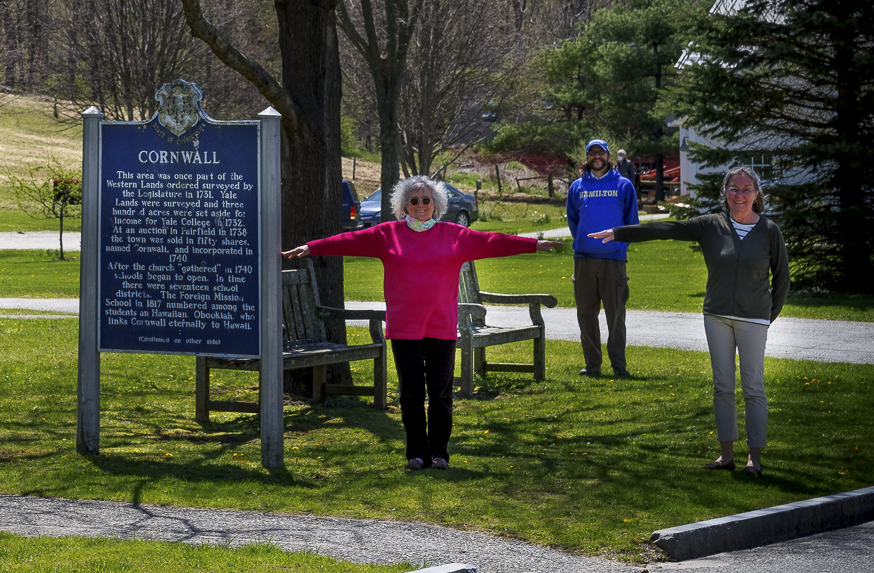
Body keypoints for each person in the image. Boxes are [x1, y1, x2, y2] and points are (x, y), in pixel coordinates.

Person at [282, 175, 562, 472]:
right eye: (414, 200)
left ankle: (440, 453)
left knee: (441, 394)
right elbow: (349, 241)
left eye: (426, 200)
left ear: (435, 204)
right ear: (404, 205)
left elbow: (493, 240)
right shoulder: (387, 234)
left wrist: (532, 244)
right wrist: (311, 248)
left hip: (441, 327)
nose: (420, 205)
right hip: (405, 328)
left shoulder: (455, 235)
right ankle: (416, 453)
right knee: (411, 394)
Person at [589, 166, 788, 476]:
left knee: (753, 387)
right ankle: (726, 456)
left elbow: (782, 279)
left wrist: (766, 317)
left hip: (753, 319)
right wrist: (621, 232)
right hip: (717, 317)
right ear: (725, 193)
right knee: (723, 386)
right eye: (733, 188)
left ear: (756, 194)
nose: (739, 194)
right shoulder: (711, 225)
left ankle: (755, 458)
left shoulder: (769, 231)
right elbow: (668, 228)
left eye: (746, 188)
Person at [567, 139, 639, 378]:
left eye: (601, 152)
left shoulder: (624, 185)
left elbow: (631, 222)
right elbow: (573, 220)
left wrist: (620, 246)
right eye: (592, 153)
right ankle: (592, 365)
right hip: (585, 259)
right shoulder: (577, 186)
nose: (596, 156)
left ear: (608, 156)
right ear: (587, 158)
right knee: (586, 314)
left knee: (616, 315)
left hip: (614, 261)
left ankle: (619, 366)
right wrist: (583, 242)